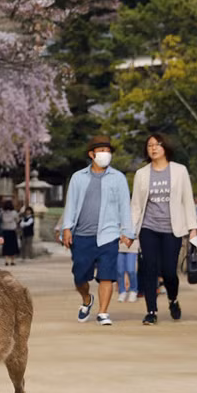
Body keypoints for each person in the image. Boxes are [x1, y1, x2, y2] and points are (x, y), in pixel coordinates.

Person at [62, 135, 134, 326]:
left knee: (107, 275)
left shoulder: (118, 178)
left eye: (108, 151)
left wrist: (128, 231)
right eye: (101, 150)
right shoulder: (78, 177)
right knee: (79, 276)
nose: (105, 154)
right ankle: (87, 299)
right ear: (91, 154)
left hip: (108, 235)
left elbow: (124, 206)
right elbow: (71, 205)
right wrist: (66, 228)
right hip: (82, 236)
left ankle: (103, 312)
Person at [130, 132, 197, 325]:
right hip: (148, 228)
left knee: (169, 271)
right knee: (149, 270)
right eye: (150, 145)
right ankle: (151, 311)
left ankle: (173, 299)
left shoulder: (179, 171)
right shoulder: (141, 174)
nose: (153, 148)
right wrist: (129, 231)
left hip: (172, 229)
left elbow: (187, 200)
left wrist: (193, 228)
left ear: (165, 147)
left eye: (157, 144)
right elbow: (136, 205)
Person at [117, 237, 139, 302]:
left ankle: (133, 291)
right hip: (119, 246)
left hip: (132, 246)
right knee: (120, 271)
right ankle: (122, 291)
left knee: (131, 270)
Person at [0, 200, 20, 266]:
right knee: (13, 246)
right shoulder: (14, 213)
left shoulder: (2, 213)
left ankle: (6, 260)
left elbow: (0, 220)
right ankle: (13, 260)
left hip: (5, 231)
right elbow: (17, 220)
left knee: (6, 246)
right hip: (12, 231)